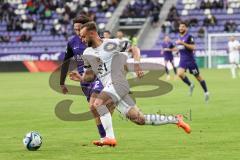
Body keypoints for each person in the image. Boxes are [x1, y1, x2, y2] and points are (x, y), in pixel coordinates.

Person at [75, 21, 191, 147]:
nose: (81, 39)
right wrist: (81, 78)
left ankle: (109, 137)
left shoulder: (111, 44)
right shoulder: (87, 53)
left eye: (83, 36)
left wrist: (137, 65)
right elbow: (90, 76)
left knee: (98, 103)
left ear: (92, 33)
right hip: (111, 87)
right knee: (139, 119)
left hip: (118, 83)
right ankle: (176, 119)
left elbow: (134, 49)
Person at [59, 15, 107, 143]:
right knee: (93, 109)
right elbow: (65, 62)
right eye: (75, 29)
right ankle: (104, 136)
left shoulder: (96, 40)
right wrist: (61, 82)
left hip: (97, 76)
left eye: (80, 29)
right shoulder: (72, 43)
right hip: (83, 80)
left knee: (94, 105)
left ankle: (107, 135)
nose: (77, 32)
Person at [175, 21, 209, 102]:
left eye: (183, 26)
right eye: (180, 26)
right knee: (179, 73)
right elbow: (181, 47)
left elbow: (193, 47)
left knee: (198, 77)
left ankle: (206, 92)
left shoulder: (189, 37)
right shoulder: (180, 37)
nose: (181, 28)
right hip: (183, 60)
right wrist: (177, 51)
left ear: (186, 28)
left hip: (190, 60)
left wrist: (182, 43)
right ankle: (190, 85)